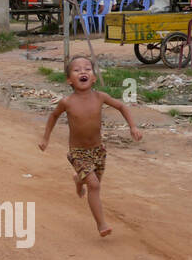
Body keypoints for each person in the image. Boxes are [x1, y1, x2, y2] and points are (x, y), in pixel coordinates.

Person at [37, 55, 143, 237]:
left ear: (93, 77)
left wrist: (132, 126)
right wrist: (46, 138)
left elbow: (122, 107)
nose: (83, 71)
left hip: (98, 150)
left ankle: (79, 180)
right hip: (78, 152)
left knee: (93, 182)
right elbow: (53, 116)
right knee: (94, 186)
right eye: (77, 70)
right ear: (69, 80)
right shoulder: (67, 102)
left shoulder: (100, 97)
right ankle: (101, 224)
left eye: (87, 69)